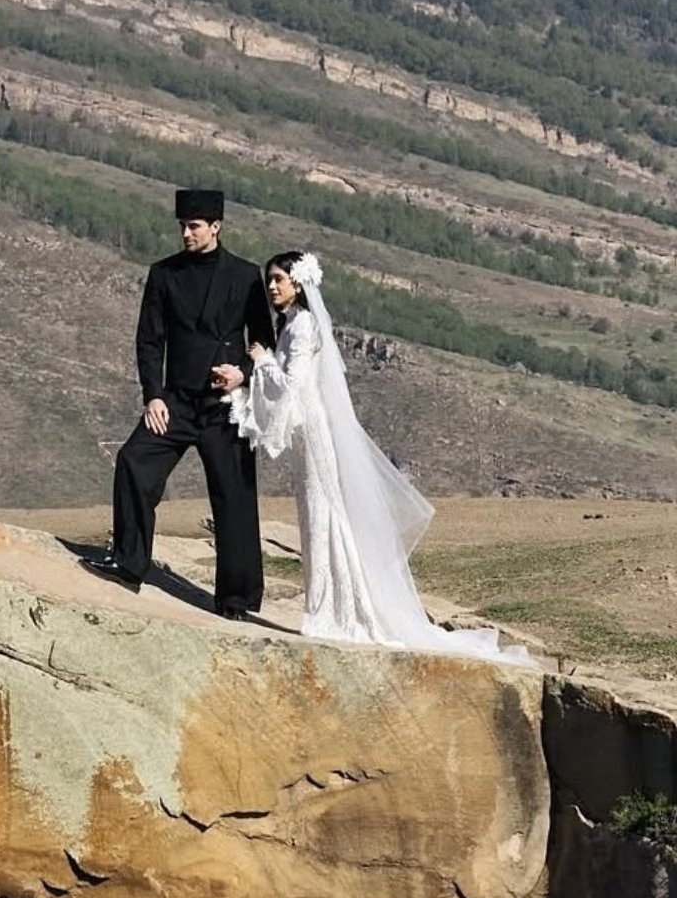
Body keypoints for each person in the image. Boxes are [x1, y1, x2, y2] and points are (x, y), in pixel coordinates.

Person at [227, 250, 532, 664]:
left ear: (298, 283)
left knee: (324, 515)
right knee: (318, 515)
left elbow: (292, 384)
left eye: (279, 279)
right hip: (307, 434)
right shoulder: (293, 323)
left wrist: (261, 362)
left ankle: (336, 610)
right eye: (270, 280)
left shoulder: (303, 326)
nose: (272, 287)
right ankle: (329, 606)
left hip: (314, 432)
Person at [82, 188, 276, 618]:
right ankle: (129, 563)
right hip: (176, 401)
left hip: (226, 405)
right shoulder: (163, 274)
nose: (186, 233)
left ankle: (237, 599)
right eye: (183, 226)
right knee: (134, 461)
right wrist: (153, 395)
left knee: (235, 495)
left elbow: (265, 339)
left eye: (194, 226)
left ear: (215, 227)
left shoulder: (245, 275)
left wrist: (243, 371)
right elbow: (150, 341)